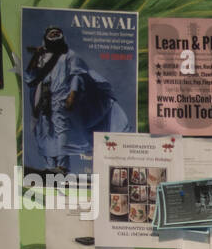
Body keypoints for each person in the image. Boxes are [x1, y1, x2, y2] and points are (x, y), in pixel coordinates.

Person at [25, 25, 132, 173]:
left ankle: (62, 166)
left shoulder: (69, 56)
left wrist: (72, 95)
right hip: (43, 100)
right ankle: (49, 166)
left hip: (61, 98)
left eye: (58, 32)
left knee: (61, 130)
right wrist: (36, 57)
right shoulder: (41, 57)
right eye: (52, 33)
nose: (55, 34)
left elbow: (77, 74)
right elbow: (29, 77)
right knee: (44, 132)